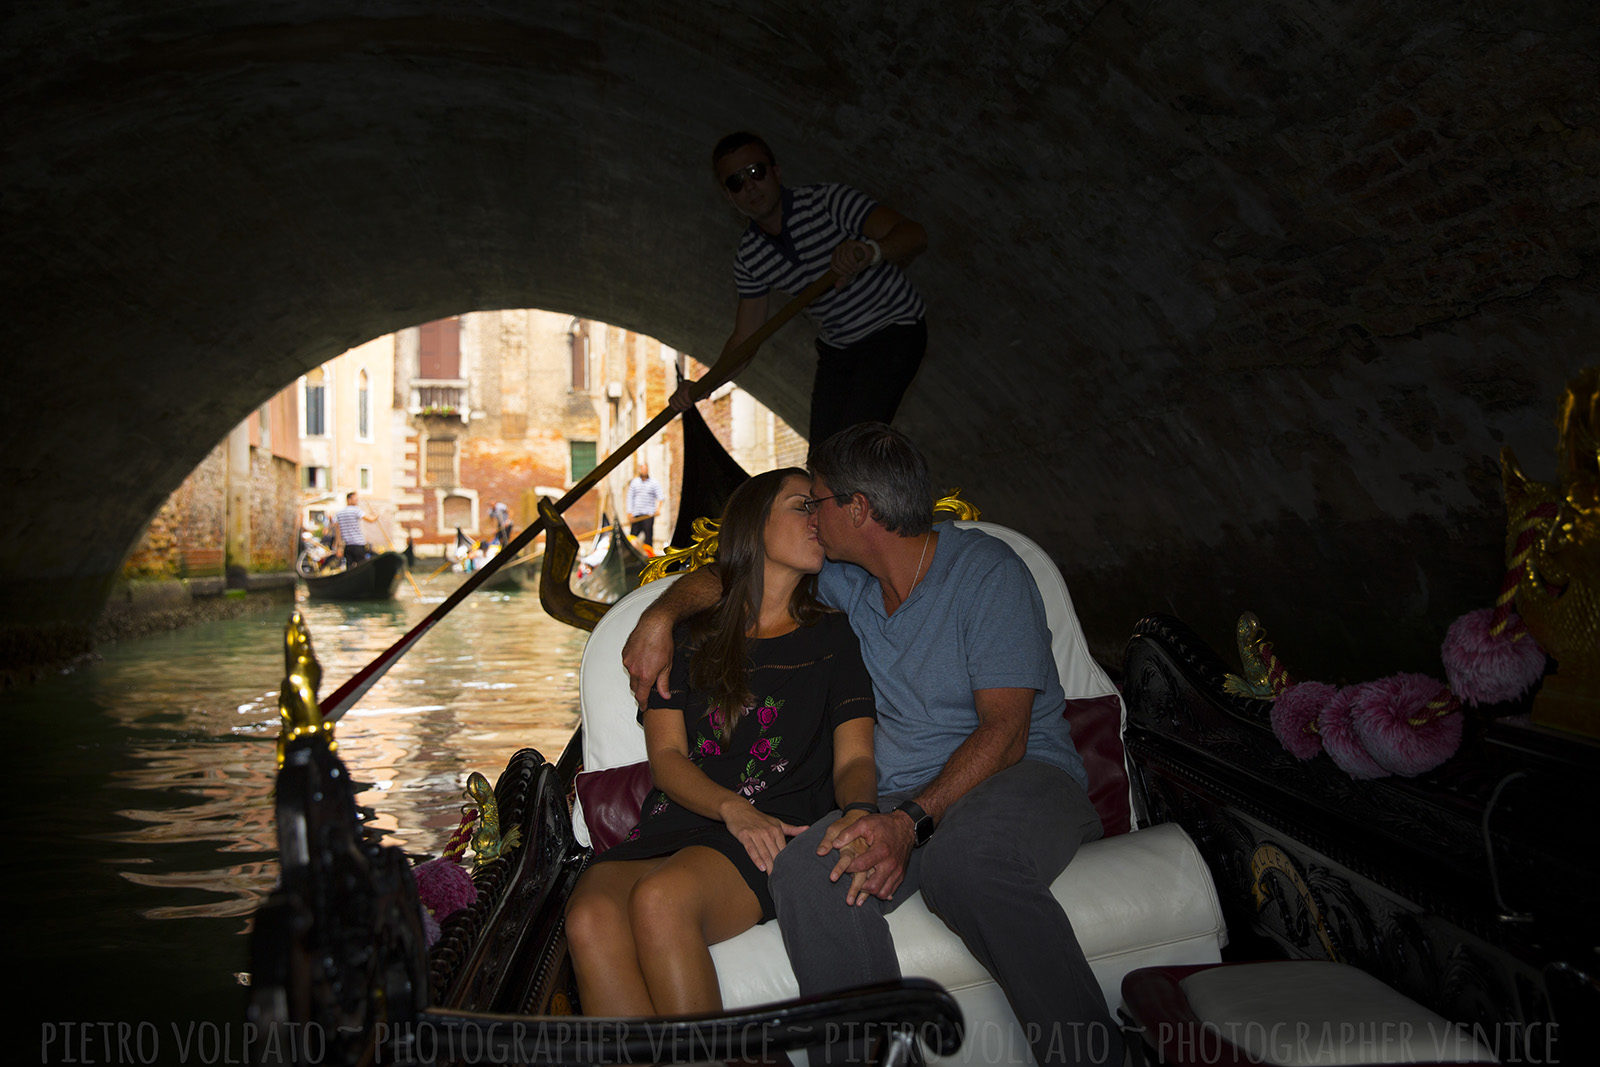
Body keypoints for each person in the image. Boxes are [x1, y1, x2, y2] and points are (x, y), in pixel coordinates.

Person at [623, 424, 1119, 1067]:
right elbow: (737, 575)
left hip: (1021, 778)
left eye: (817, 500)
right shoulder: (843, 583)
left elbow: (1006, 733)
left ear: (856, 509)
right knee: (808, 869)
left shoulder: (988, 574)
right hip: (897, 799)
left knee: (967, 862)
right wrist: (658, 616)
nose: (810, 514)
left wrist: (908, 822)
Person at [565, 468, 879, 1022]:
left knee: (661, 902)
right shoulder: (690, 637)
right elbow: (665, 760)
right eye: (801, 505)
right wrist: (731, 808)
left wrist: (859, 814)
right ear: (755, 526)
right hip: (688, 814)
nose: (818, 518)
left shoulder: (836, 635)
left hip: (773, 829)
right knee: (588, 913)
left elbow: (854, 757)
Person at [671, 132, 929, 451]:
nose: (749, 186)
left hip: (894, 329)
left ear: (776, 172)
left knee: (850, 446)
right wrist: (703, 388)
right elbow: (745, 340)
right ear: (729, 196)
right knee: (820, 458)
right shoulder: (750, 257)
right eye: (736, 182)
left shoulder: (829, 202)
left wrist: (868, 252)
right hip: (839, 348)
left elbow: (914, 235)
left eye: (756, 172)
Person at [624, 463, 664, 547]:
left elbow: (661, 497)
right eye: (642, 469)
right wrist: (629, 513)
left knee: (648, 537)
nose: (644, 471)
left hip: (648, 515)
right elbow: (630, 497)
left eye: (645, 469)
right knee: (633, 537)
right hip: (636, 514)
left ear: (647, 470)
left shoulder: (654, 483)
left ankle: (649, 555)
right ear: (640, 470)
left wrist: (658, 510)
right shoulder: (634, 482)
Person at [333, 491, 377, 565]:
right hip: (358, 544)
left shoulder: (339, 513)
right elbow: (370, 519)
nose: (357, 501)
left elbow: (338, 532)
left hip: (347, 546)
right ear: (349, 499)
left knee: (350, 568)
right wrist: (376, 515)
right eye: (355, 499)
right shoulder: (356, 510)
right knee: (361, 567)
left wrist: (339, 548)